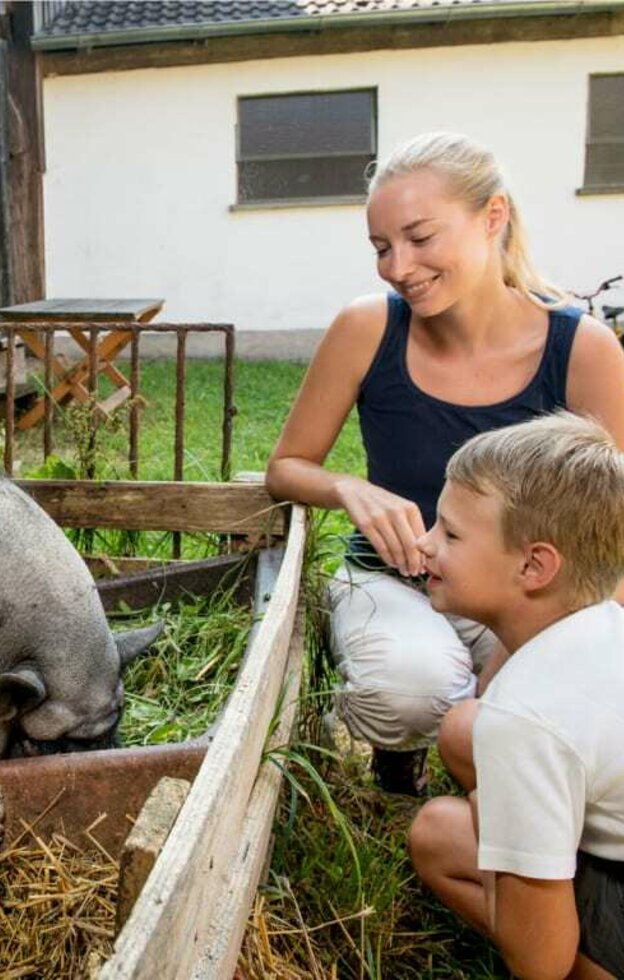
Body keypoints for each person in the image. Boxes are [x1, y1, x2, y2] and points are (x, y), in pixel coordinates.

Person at [265, 131, 624, 794]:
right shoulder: (369, 327)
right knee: (410, 691)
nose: (399, 266)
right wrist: (351, 489)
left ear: (493, 217)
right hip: (395, 580)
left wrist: (564, 651)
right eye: (381, 247)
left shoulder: (583, 349)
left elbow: (615, 530)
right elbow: (286, 466)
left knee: (534, 700)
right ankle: (399, 762)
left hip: (529, 596)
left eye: (421, 237)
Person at [408, 412, 624, 980]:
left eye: (449, 533)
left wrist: (491, 813)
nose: (425, 543)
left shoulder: (525, 716)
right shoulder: (605, 623)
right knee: (443, 809)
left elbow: (540, 964)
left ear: (534, 565)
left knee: (446, 830)